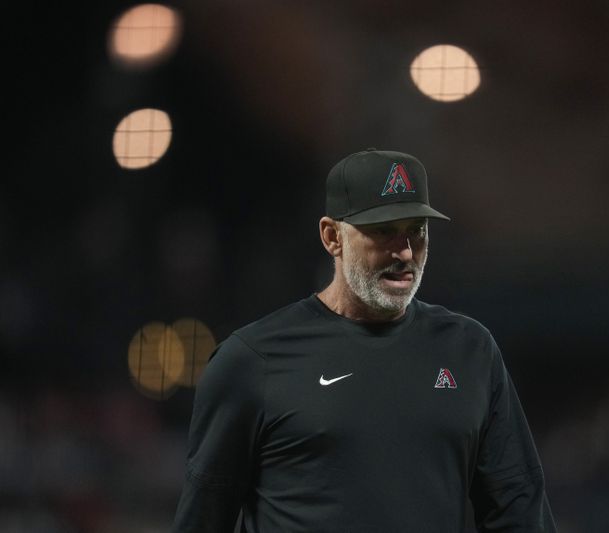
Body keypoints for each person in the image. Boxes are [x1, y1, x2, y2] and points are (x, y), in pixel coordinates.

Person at [172, 148, 557, 532]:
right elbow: (203, 521)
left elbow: (519, 510)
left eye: (416, 231)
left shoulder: (470, 350)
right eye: (383, 231)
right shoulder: (253, 360)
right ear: (332, 236)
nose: (405, 251)